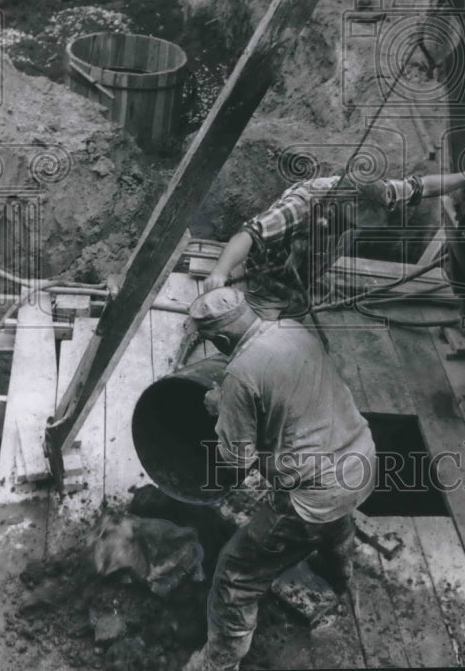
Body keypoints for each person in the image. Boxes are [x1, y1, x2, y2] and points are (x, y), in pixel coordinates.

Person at [183, 286, 376, 671]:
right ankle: (338, 578)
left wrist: (221, 409)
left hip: (312, 497)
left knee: (234, 575)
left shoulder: (239, 375)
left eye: (214, 344)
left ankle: (217, 663)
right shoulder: (292, 328)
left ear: (221, 339)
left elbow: (237, 460)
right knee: (336, 523)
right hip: (360, 459)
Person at [203, 159, 465, 318]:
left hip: (303, 274)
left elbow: (423, 187)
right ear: (340, 206)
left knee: (294, 317)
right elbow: (249, 234)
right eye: (353, 223)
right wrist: (219, 271)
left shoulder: (376, 192)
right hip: (261, 276)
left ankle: (296, 297)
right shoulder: (302, 205)